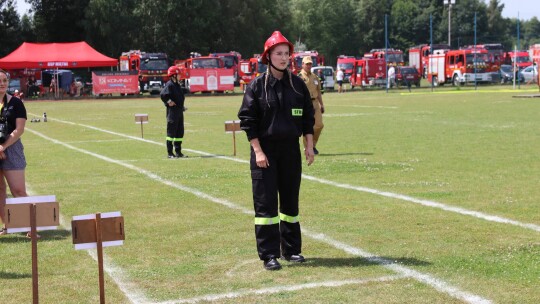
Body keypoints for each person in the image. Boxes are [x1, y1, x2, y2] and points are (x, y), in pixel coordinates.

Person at [238, 31, 315, 271]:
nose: (283, 58)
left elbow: (307, 119)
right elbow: (248, 121)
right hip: (265, 153)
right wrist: (258, 152)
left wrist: (309, 146)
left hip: (290, 151)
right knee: (266, 206)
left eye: (286, 54)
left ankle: (291, 250)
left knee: (290, 203)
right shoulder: (256, 86)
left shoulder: (298, 85)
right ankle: (269, 254)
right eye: (278, 53)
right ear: (268, 56)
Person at [0, 69, 31, 237]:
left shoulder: (16, 103)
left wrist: (3, 147)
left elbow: (19, 129)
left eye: (4, 80)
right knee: (0, 190)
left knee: (18, 190)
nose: (2, 83)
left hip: (12, 147)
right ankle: (7, 226)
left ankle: (29, 227)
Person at [299, 56, 324, 155]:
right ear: (302, 64)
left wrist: (321, 104)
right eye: (307, 64)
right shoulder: (300, 77)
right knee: (307, 126)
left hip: (315, 103)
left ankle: (312, 144)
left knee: (319, 125)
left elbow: (318, 91)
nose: (309, 66)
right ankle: (307, 147)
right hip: (305, 103)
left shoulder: (315, 76)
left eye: (310, 64)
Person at [160, 66, 187, 158]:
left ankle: (178, 152)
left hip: (179, 112)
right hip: (172, 113)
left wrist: (182, 106)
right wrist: (168, 102)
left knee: (179, 132)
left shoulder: (177, 85)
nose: (180, 76)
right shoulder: (170, 85)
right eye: (178, 74)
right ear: (173, 75)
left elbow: (178, 98)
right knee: (171, 133)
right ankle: (170, 153)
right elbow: (163, 94)